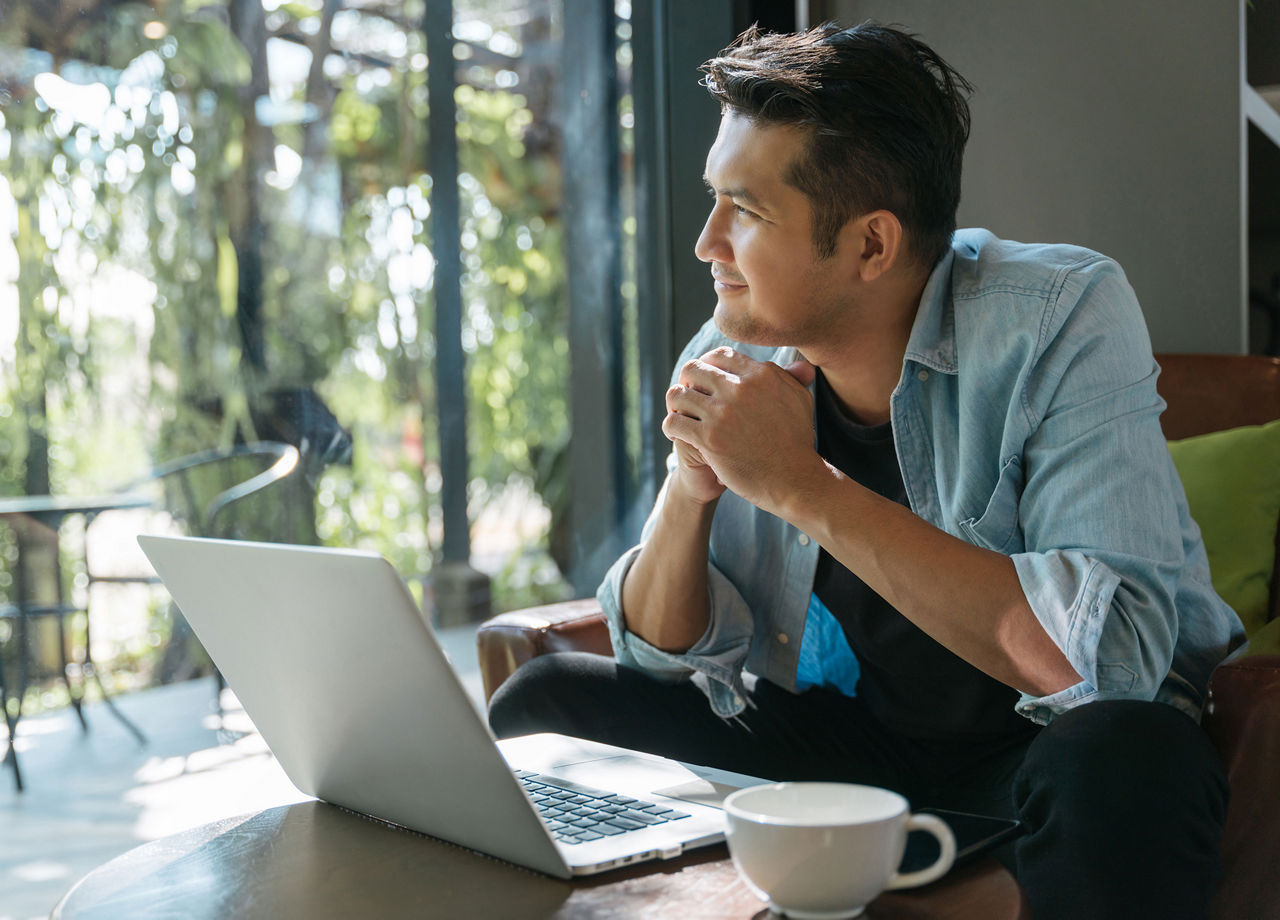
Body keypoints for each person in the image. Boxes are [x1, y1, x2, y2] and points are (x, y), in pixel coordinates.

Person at [489, 21, 1243, 919]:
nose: (707, 243)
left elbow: (1108, 667)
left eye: (748, 211)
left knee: (1127, 754)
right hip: (867, 754)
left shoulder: (1060, 317)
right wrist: (691, 495)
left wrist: (801, 485)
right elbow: (659, 654)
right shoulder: (741, 347)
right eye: (712, 199)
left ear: (872, 247)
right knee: (549, 704)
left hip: (1039, 757)